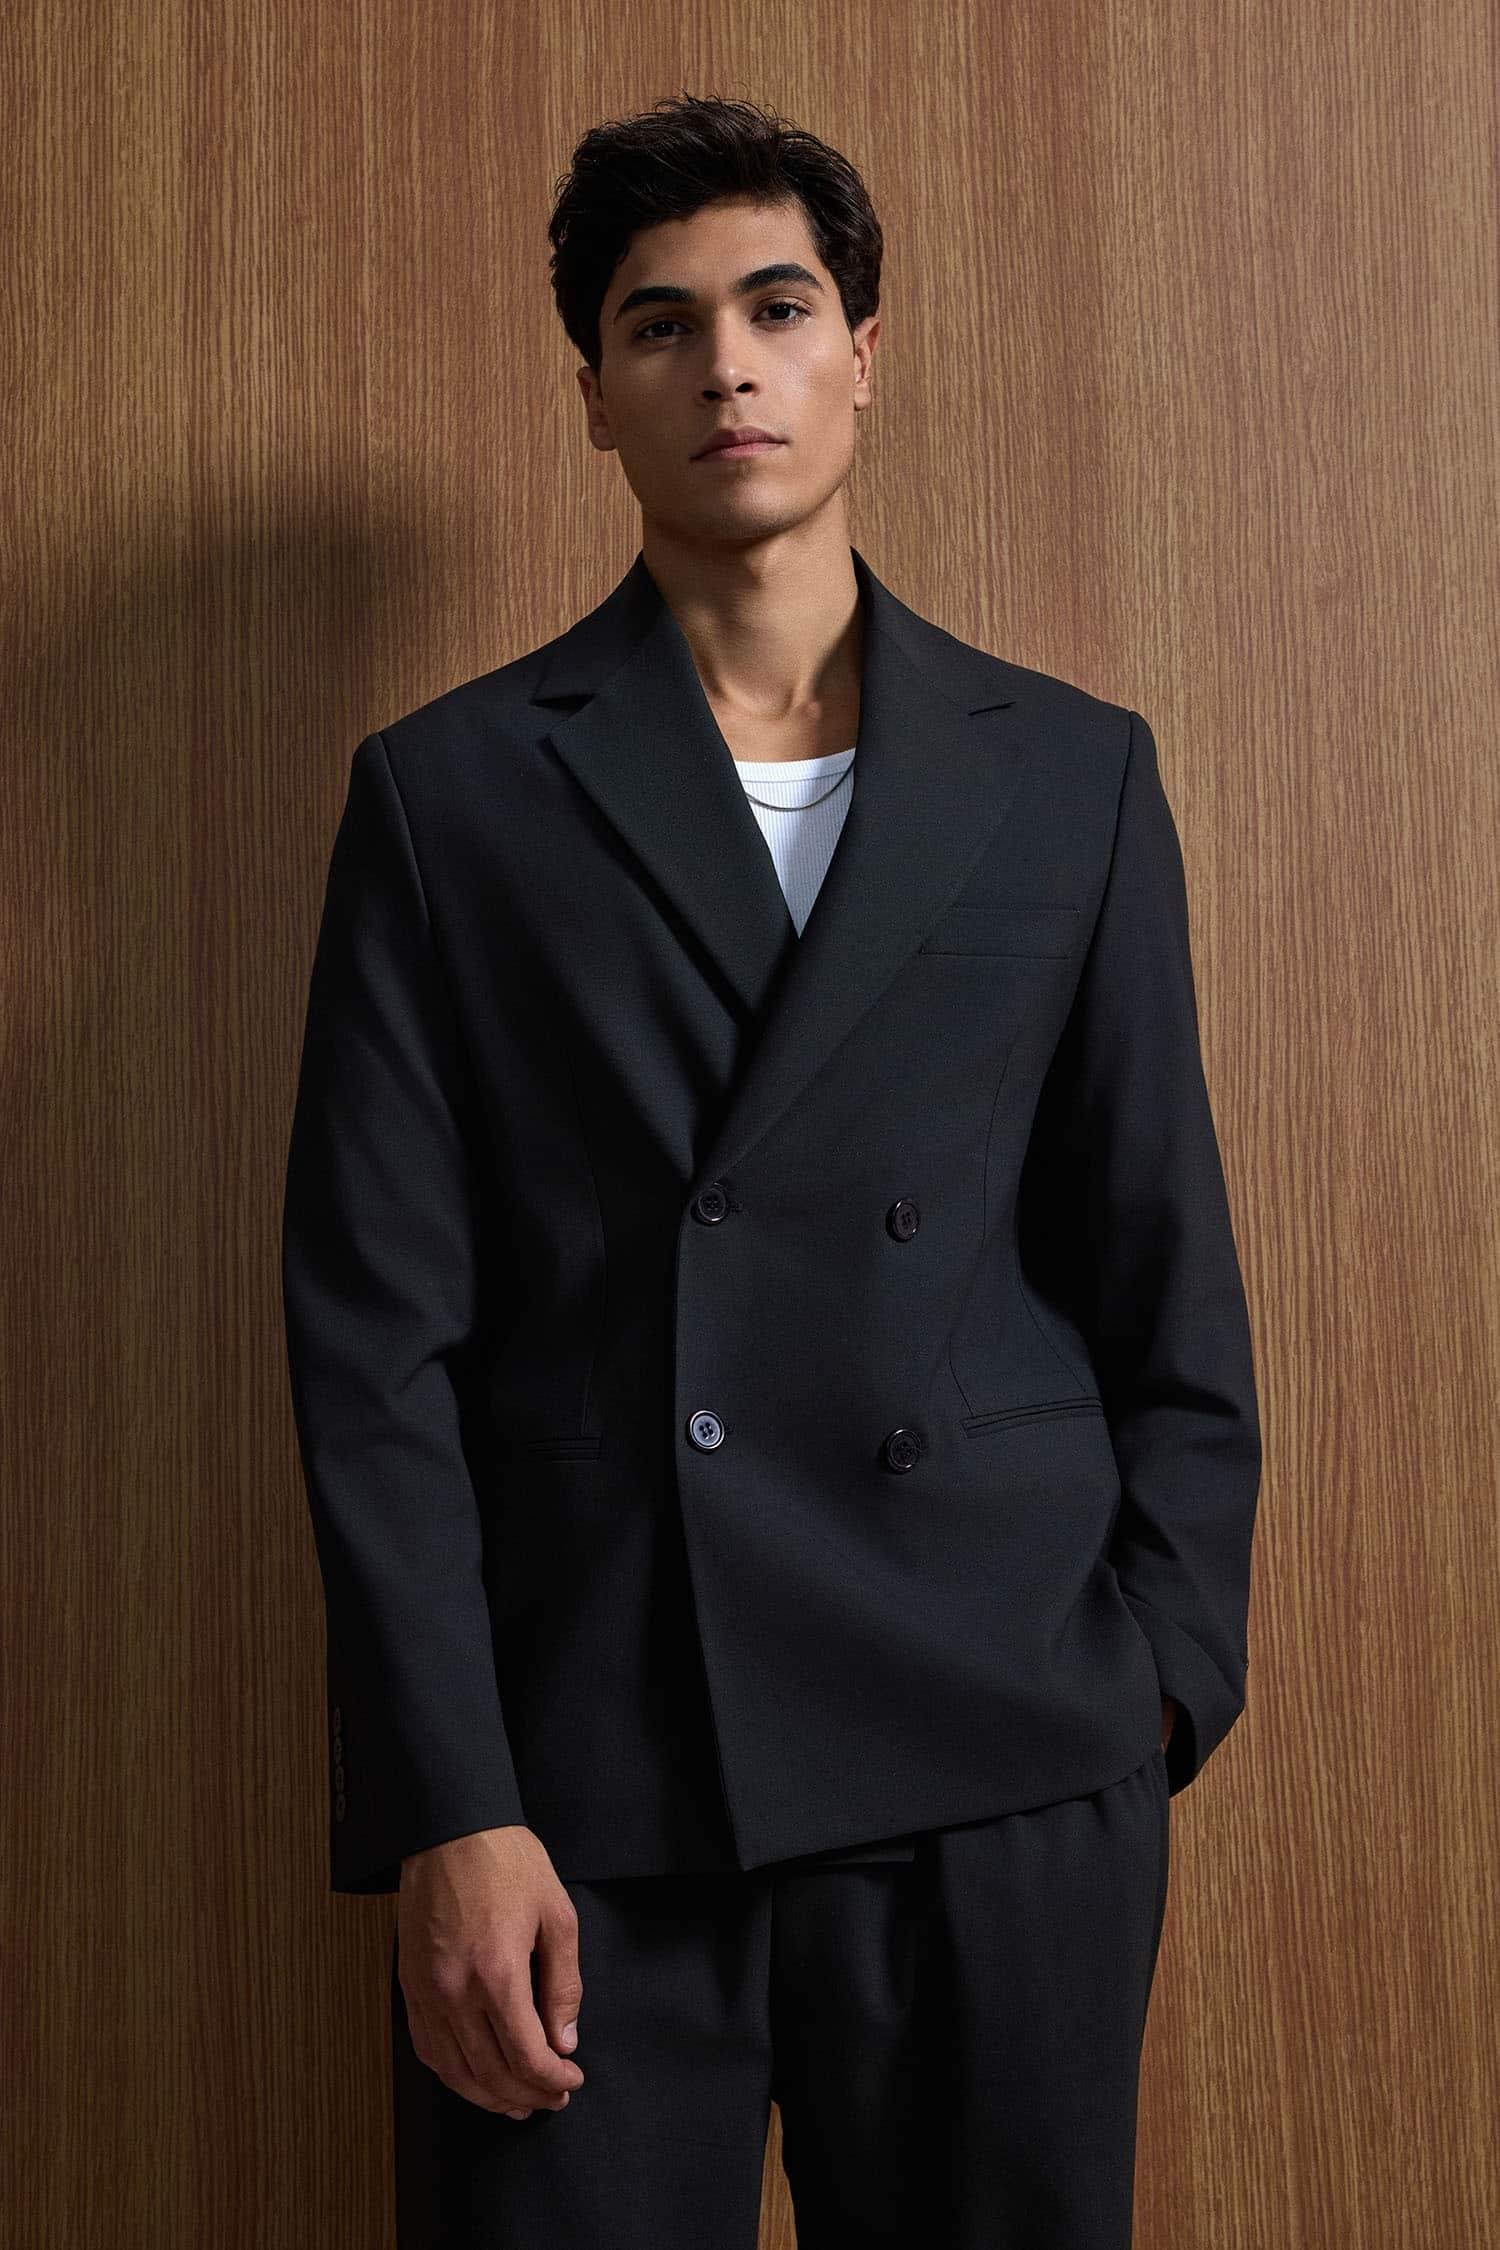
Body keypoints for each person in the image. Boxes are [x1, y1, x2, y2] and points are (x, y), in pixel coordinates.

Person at [281, 90, 1261, 2250]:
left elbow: (1159, 1265)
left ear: (862, 353)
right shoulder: (453, 794)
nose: (727, 365)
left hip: (1003, 1748)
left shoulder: (1070, 775)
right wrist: (451, 1802)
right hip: (593, 1786)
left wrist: (1160, 1677)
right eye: (662, 325)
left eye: (778, 306)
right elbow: (374, 1352)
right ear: (596, 395)